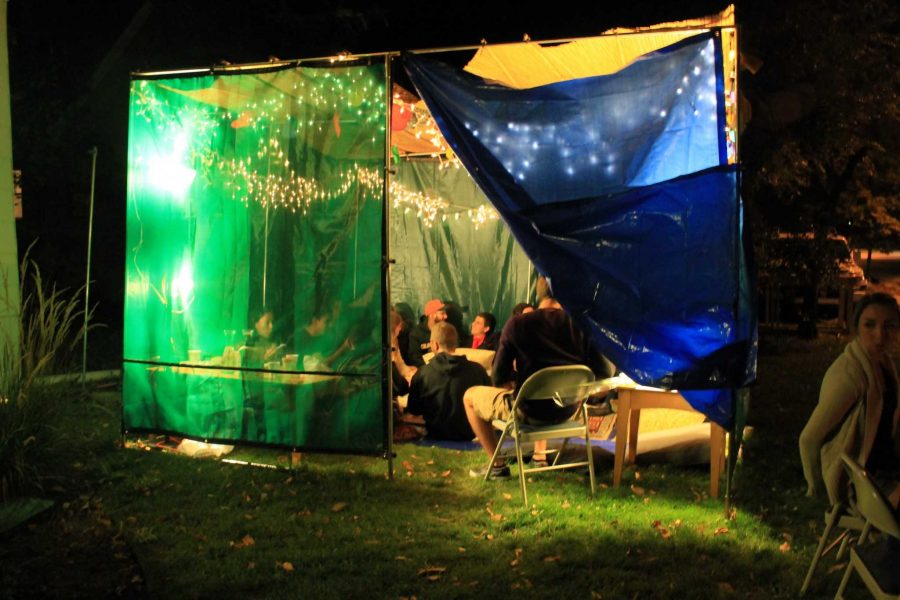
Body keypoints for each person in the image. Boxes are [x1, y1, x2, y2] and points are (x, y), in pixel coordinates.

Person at [463, 277, 611, 478]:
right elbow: (604, 374)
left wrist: (514, 383)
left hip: (529, 412)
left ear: (538, 292)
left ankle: (497, 465)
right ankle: (539, 456)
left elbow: (498, 377)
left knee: (470, 396)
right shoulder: (582, 325)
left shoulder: (517, 324)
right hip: (568, 411)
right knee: (538, 394)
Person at [800, 292, 900, 508]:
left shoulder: (884, 365)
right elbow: (809, 438)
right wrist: (817, 488)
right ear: (856, 328)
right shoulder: (851, 374)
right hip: (861, 482)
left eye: (889, 326)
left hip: (887, 469)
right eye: (869, 325)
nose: (880, 336)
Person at [407, 322, 490, 440]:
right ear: (455, 344)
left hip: (434, 435)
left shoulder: (422, 374)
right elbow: (487, 406)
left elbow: (414, 409)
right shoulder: (478, 371)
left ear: (434, 344)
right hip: (470, 436)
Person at [407, 299, 447, 367]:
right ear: (431, 315)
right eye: (442, 313)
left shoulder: (447, 330)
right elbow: (415, 360)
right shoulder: (416, 334)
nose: (446, 316)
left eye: (445, 313)